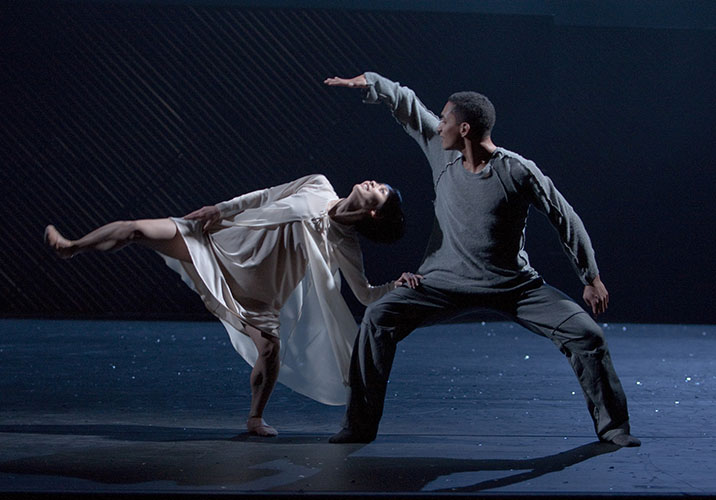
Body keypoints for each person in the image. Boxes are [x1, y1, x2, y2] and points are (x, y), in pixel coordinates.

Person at [323, 73, 640, 447]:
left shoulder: (517, 171)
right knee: (377, 318)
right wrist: (371, 82)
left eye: (445, 120)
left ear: (466, 128)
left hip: (513, 286)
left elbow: (563, 215)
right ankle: (358, 426)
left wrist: (591, 276)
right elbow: (408, 105)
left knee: (587, 335)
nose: (438, 125)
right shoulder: (441, 151)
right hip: (443, 283)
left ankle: (613, 427)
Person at [45, 173, 421, 437]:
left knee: (271, 352)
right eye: (379, 183)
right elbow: (265, 196)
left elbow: (364, 293)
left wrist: (396, 286)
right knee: (136, 229)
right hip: (223, 244)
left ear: (375, 213)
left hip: (260, 294)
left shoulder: (346, 243)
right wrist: (221, 210)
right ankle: (71, 247)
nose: (375, 183)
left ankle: (255, 418)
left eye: (382, 191)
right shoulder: (318, 184)